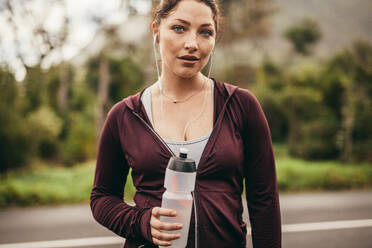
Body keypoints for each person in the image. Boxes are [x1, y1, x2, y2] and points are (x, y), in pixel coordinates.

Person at [90, 0, 282, 247]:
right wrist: (141, 221)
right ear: (156, 31)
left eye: (205, 32)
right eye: (179, 28)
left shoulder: (241, 106)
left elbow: (264, 199)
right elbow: (102, 197)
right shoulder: (125, 115)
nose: (192, 44)